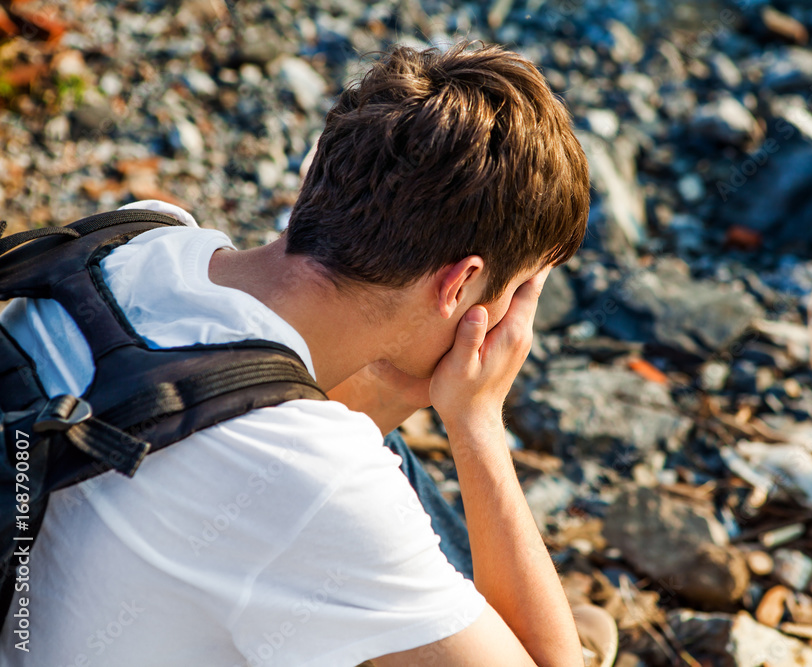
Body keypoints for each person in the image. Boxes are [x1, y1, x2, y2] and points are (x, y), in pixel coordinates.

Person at [0, 42, 607, 666]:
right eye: (518, 290)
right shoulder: (316, 478)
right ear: (459, 284)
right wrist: (476, 422)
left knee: (378, 441)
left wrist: (402, 387)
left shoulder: (138, 233)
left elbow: (236, 404)